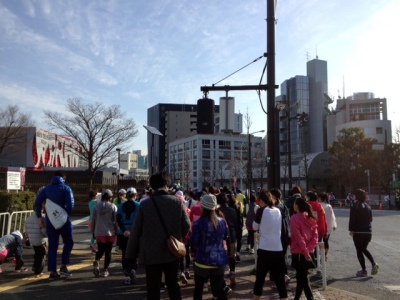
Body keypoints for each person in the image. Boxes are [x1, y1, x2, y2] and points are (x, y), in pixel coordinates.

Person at [125, 173, 191, 300]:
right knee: (173, 285)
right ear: (167, 185)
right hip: (172, 252)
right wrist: (176, 238)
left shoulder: (145, 205)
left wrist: (129, 255)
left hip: (151, 253)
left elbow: (136, 231)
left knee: (153, 288)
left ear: (152, 186)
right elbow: (187, 225)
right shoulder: (177, 202)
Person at [34, 170, 74, 280]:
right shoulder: (66, 188)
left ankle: (52, 272)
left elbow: (37, 203)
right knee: (69, 242)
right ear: (64, 178)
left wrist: (39, 217)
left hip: (50, 221)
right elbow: (70, 205)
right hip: (63, 220)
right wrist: (65, 213)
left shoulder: (46, 189)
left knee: (52, 246)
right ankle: (63, 266)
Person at [190, 194, 229, 300]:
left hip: (202, 261)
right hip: (219, 261)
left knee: (198, 289)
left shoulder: (198, 223)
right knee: (219, 290)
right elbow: (226, 236)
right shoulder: (222, 221)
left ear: (202, 207)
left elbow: (194, 242)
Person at [290, 197, 319, 300]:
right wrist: (309, 251)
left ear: (297, 206)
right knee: (302, 277)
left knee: (302, 277)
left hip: (299, 252)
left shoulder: (294, 218)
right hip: (309, 253)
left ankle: (307, 298)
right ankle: (299, 298)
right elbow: (315, 238)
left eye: (294, 204)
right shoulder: (312, 218)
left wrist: (305, 252)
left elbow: (298, 237)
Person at [349, 188, 379, 277]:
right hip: (368, 232)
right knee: (364, 249)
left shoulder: (355, 205)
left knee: (359, 250)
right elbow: (370, 219)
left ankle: (364, 270)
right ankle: (373, 263)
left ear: (356, 196)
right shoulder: (367, 206)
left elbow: (352, 218)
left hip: (358, 232)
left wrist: (351, 230)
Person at [91, 189, 118, 278]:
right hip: (110, 232)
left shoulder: (96, 207)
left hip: (99, 232)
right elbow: (116, 220)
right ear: (110, 197)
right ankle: (105, 270)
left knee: (101, 249)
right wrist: (117, 231)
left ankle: (97, 260)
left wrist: (93, 232)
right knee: (108, 252)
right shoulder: (113, 207)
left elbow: (93, 220)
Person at [117, 187, 140, 284]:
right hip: (135, 233)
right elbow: (140, 220)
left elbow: (118, 219)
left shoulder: (121, 206)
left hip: (123, 233)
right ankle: (133, 269)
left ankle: (126, 276)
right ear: (135, 195)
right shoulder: (139, 205)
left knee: (124, 254)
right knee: (135, 254)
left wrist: (124, 230)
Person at [216, 192, 238, 289]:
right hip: (232, 236)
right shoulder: (233, 210)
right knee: (232, 256)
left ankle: (223, 276)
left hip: (221, 239)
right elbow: (237, 224)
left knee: (222, 257)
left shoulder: (217, 211)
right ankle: (232, 272)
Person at [270, 187, 291, 284]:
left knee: (278, 257)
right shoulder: (284, 207)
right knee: (280, 256)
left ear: (273, 196)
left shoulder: (275, 209)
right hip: (285, 234)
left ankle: (283, 275)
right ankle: (281, 275)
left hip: (278, 235)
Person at [25, 204, 48, 277]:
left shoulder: (28, 218)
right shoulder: (43, 218)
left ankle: (35, 267)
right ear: (42, 209)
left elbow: (26, 231)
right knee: (41, 256)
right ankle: (38, 271)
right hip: (41, 240)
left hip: (32, 240)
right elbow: (44, 231)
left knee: (37, 254)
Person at [318, 192, 337, 260]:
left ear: (320, 198)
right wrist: (334, 225)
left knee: (320, 241)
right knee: (326, 241)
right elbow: (332, 216)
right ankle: (325, 254)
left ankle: (321, 253)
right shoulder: (328, 206)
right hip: (328, 226)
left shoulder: (318, 205)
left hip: (320, 226)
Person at [88, 189, 99, 254]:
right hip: (96, 220)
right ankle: (93, 245)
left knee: (93, 234)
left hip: (90, 219)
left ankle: (93, 246)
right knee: (96, 234)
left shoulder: (90, 203)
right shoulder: (96, 202)